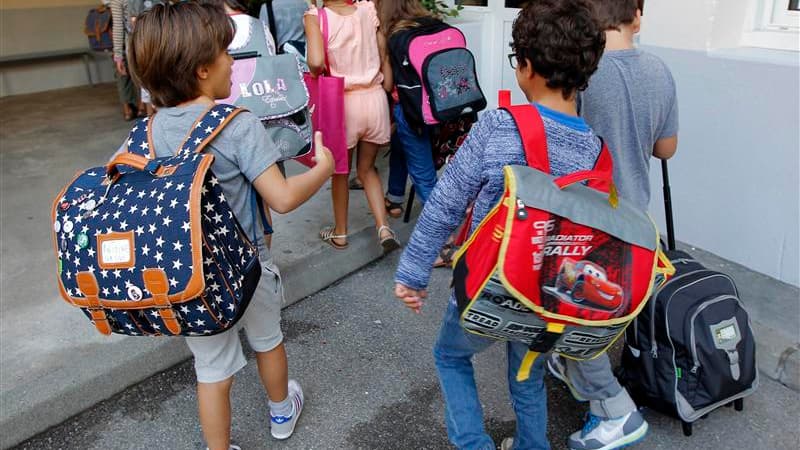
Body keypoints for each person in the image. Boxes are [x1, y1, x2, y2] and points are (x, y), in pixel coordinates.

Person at [393, 1, 606, 448]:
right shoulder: (595, 150)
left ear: (526, 66)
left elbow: (446, 203)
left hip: (490, 287)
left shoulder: (497, 126)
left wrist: (413, 273)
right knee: (527, 375)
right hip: (550, 295)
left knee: (450, 358)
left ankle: (474, 444)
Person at [126, 3, 335, 449]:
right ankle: (281, 413)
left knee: (212, 371)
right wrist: (323, 168)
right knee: (267, 340)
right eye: (226, 54)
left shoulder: (145, 133)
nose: (233, 65)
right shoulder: (236, 124)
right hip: (247, 265)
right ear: (203, 70)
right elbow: (281, 197)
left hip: (188, 275)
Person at [546, 1, 679, 449]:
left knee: (575, 307)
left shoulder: (580, 71)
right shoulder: (661, 71)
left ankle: (613, 410)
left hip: (587, 216)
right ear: (636, 16)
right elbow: (666, 149)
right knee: (602, 311)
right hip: (636, 217)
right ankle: (575, 367)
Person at [304, 0, 400, 252]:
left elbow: (314, 61)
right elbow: (382, 50)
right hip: (374, 98)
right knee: (367, 169)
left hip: (342, 103)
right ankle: (383, 228)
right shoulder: (368, 11)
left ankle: (340, 233)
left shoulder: (316, 17)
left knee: (340, 172)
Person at [109, 0, 141, 120]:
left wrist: (118, 56)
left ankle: (131, 109)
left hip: (135, 45)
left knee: (129, 77)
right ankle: (142, 108)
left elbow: (118, 26)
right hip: (157, 41)